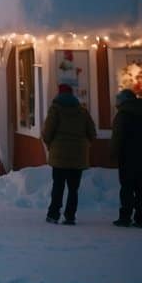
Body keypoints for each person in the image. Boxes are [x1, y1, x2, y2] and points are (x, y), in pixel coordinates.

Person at [41, 82, 96, 225]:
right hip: (78, 155)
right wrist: (84, 145)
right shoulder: (82, 111)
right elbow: (92, 132)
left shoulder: (55, 110)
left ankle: (53, 214)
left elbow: (47, 132)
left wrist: (50, 144)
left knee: (58, 186)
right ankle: (70, 216)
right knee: (73, 188)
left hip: (59, 155)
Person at [111, 89, 142, 228]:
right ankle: (141, 218)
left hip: (127, 156)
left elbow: (118, 136)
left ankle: (125, 217)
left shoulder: (123, 114)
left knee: (127, 187)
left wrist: (113, 153)